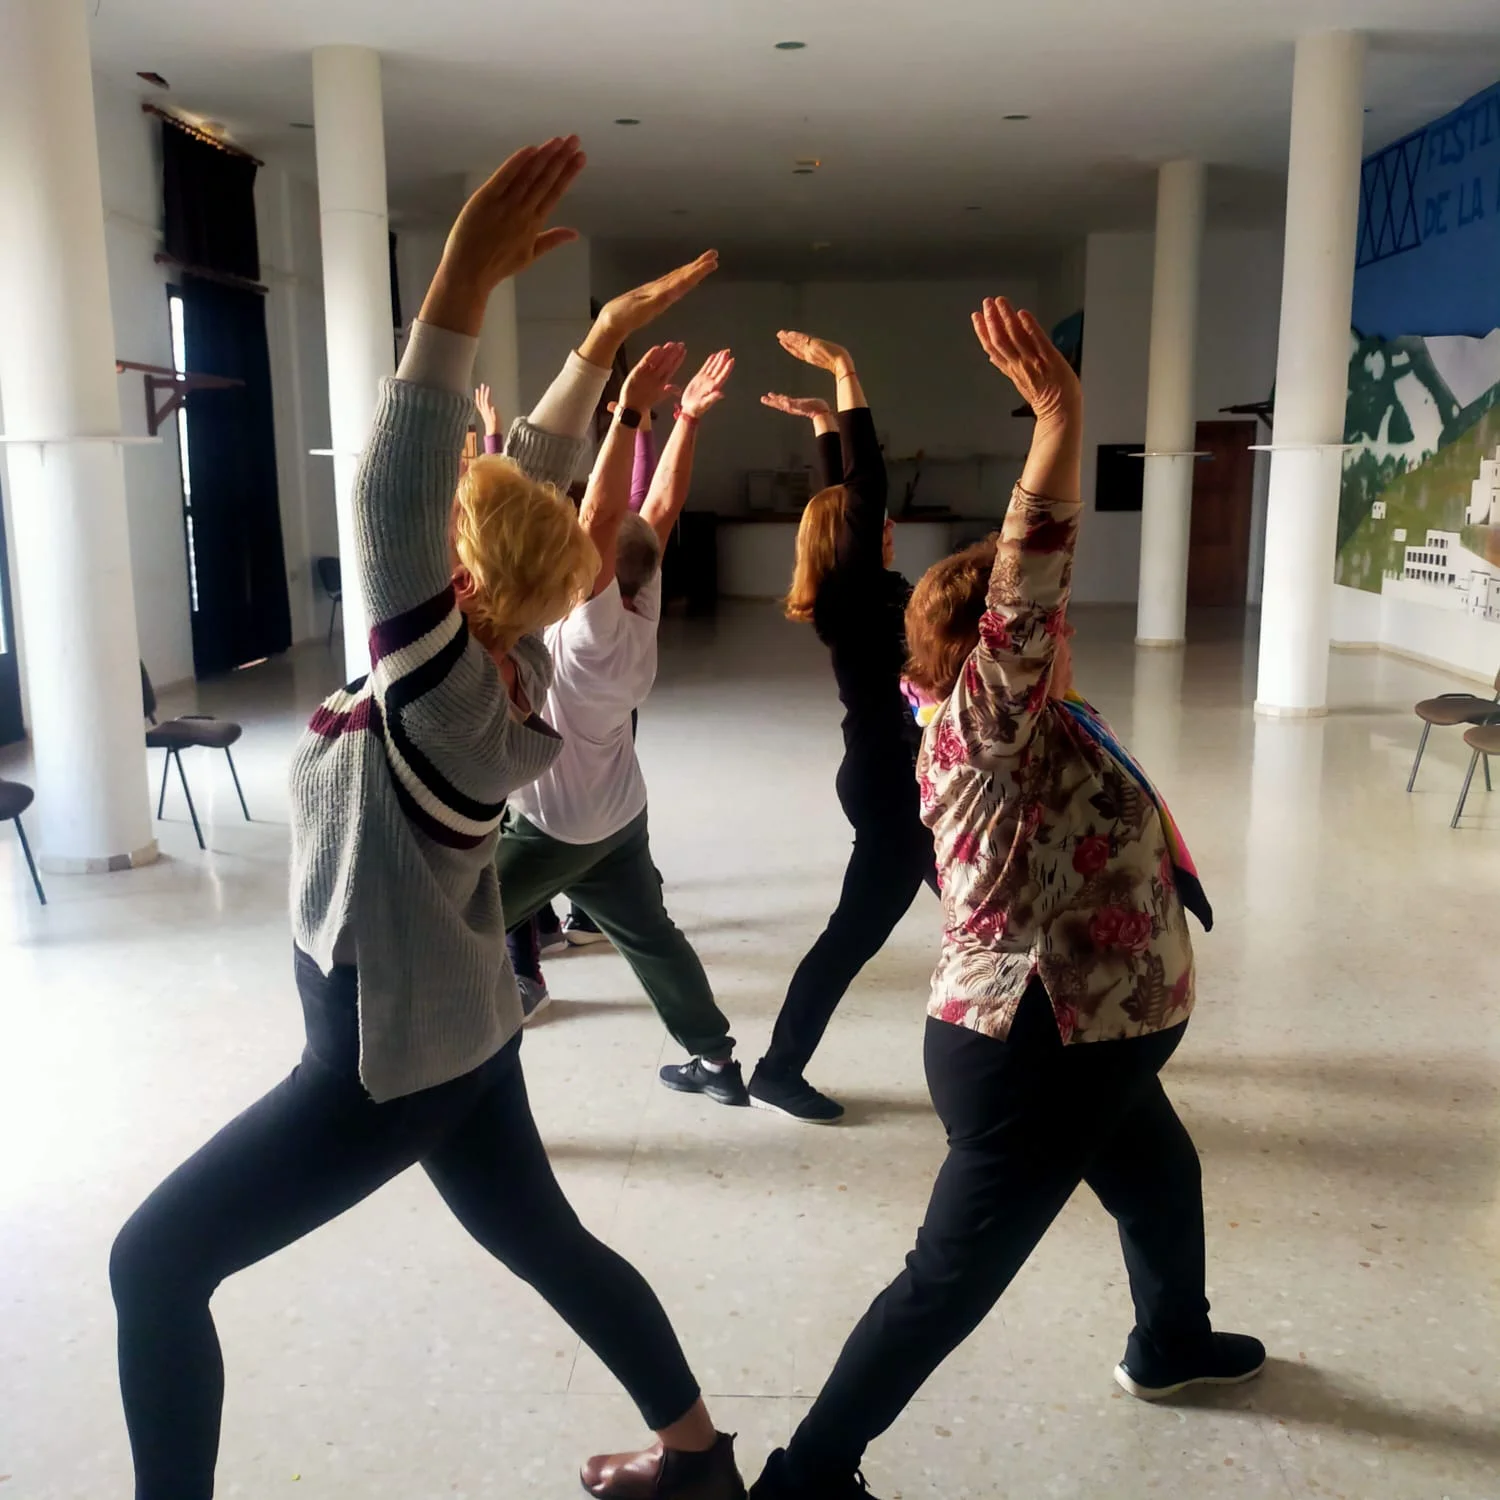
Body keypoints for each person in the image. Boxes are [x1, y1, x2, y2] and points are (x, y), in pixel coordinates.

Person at [108, 139, 745, 1500]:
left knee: (150, 1268)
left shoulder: (442, 677)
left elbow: (399, 485)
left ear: (458, 568)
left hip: (382, 1057)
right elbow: (519, 478)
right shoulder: (484, 649)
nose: (459, 505)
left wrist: (457, 281)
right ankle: (698, 1465)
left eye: (454, 530)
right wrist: (599, 360)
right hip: (457, 1019)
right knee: (552, 1244)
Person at [750, 298, 1262, 1499]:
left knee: (1163, 1180)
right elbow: (1024, 591)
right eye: (1038, 634)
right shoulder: (988, 730)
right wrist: (1062, 423)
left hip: (1097, 1035)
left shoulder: (1027, 722)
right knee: (948, 1282)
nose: (1059, 636)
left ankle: (1171, 1342)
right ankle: (809, 1473)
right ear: (992, 655)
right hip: (1036, 1048)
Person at [495, 344, 752, 1107]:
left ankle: (454, 1078)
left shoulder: (592, 634)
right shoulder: (640, 598)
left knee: (453, 932)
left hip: (555, 829)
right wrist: (688, 422)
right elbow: (657, 510)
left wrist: (633, 413)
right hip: (617, 818)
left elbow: (603, 515)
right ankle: (714, 1061)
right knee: (652, 938)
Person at [747, 336, 937, 1123]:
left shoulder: (852, 590)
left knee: (997, 910)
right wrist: (846, 373)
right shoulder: (856, 598)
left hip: (903, 778)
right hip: (895, 790)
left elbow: (842, 500)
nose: (885, 523)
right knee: (850, 939)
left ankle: (1059, 1040)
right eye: (875, 521)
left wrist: (826, 424)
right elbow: (862, 491)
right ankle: (778, 1068)